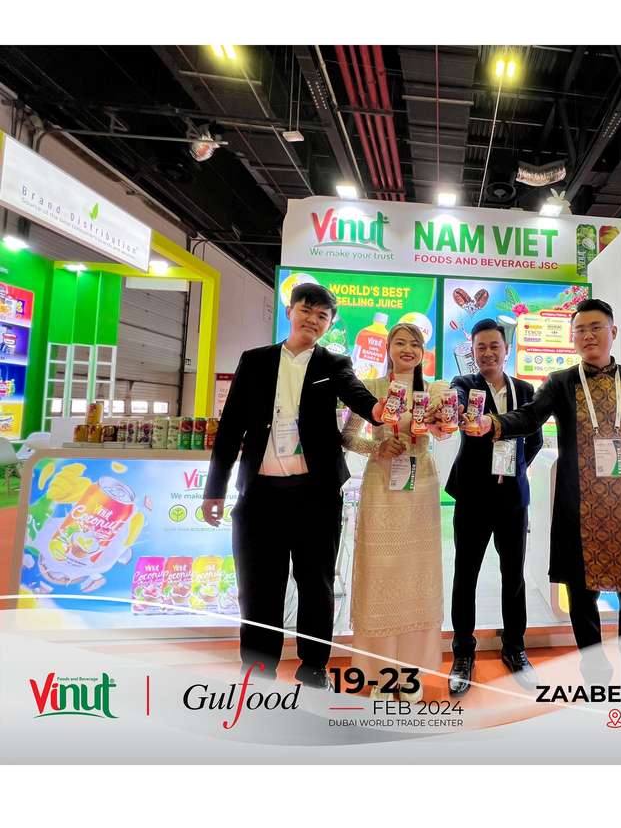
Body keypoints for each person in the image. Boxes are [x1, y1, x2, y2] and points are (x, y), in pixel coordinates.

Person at [467, 298, 621, 681]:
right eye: (580, 330)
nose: (588, 335)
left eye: (596, 327)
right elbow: (530, 416)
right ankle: (595, 672)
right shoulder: (561, 382)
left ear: (613, 332)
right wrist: (493, 424)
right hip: (582, 507)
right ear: (573, 338)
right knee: (581, 595)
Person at [202, 283, 384, 690]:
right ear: (290, 311)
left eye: (322, 316)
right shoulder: (256, 361)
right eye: (306, 310)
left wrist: (377, 409)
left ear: (329, 324)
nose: (313, 320)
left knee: (317, 586)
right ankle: (258, 670)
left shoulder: (334, 363)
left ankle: (313, 666)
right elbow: (230, 429)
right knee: (258, 588)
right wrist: (214, 490)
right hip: (260, 497)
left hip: (316, 496)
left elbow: (356, 394)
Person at [341, 323, 445, 703]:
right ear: (388, 347)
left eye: (414, 344)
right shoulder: (369, 387)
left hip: (421, 485)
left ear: (422, 352)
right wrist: (377, 449)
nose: (407, 349)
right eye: (399, 342)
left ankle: (410, 674)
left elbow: (447, 428)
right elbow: (348, 436)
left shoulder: (435, 391)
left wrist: (442, 425)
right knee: (381, 575)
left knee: (417, 577)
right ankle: (382, 676)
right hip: (382, 485)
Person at [445, 319, 543, 695]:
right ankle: (463, 653)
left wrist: (515, 468)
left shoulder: (525, 389)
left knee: (513, 576)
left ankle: (514, 649)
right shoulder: (465, 384)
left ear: (506, 349)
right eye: (480, 347)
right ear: (473, 352)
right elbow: (455, 401)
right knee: (465, 575)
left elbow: (534, 438)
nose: (487, 353)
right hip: (472, 496)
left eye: (494, 346)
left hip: (512, 499)